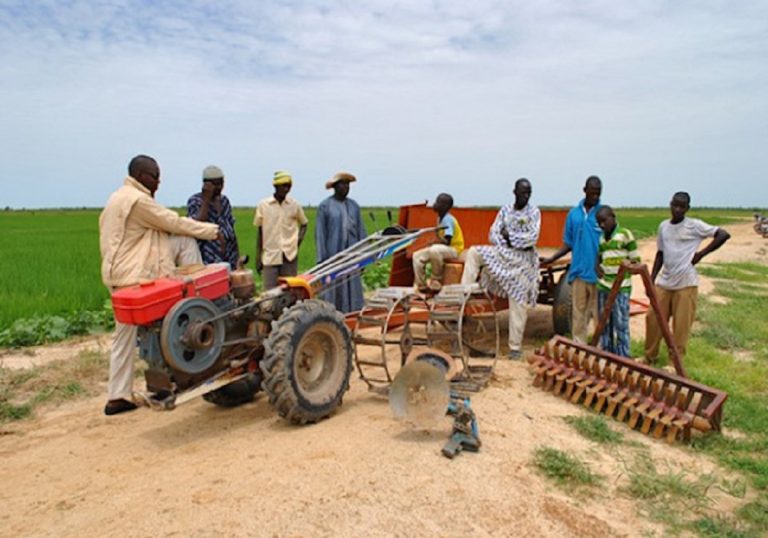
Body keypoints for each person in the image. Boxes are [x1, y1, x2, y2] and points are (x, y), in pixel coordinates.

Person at [99, 155, 219, 416]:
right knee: (167, 327)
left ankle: (117, 395)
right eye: (154, 175)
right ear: (141, 175)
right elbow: (172, 221)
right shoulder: (138, 201)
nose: (158, 180)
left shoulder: (115, 198)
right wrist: (212, 230)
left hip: (118, 276)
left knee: (125, 335)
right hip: (136, 277)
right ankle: (199, 298)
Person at [645, 192, 730, 361]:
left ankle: (674, 362)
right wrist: (651, 279)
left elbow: (723, 234)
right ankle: (649, 356)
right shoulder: (664, 227)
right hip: (665, 281)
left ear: (687, 209)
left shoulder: (694, 226)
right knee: (653, 318)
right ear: (670, 204)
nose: (677, 209)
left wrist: (701, 254)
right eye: (675, 205)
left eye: (681, 207)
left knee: (681, 326)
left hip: (686, 283)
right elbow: (660, 253)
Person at [461, 178, 540, 359]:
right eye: (523, 192)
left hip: (523, 260)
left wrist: (510, 235)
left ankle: (514, 347)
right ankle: (464, 291)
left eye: (529, 192)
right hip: (504, 253)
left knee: (518, 299)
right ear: (515, 192)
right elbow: (493, 233)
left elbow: (531, 238)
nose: (526, 196)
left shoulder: (534, 212)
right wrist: (508, 240)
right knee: (474, 252)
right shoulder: (505, 210)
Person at [540, 175, 603, 343]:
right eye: (592, 193)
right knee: (578, 314)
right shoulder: (573, 215)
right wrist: (552, 258)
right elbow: (568, 243)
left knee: (599, 314)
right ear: (584, 191)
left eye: (598, 193)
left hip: (598, 275)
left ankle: (600, 350)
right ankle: (579, 346)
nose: (595, 197)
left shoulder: (604, 213)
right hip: (579, 273)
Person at [315, 171, 367, 313]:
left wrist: (364, 256)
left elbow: (361, 231)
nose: (346, 187)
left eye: (347, 184)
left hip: (352, 256)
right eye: (342, 184)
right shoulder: (325, 206)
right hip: (333, 255)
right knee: (334, 288)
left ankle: (353, 316)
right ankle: (333, 316)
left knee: (352, 287)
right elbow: (320, 234)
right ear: (335, 187)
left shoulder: (354, 206)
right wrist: (322, 261)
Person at [595, 206, 641, 357]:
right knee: (604, 323)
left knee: (621, 324)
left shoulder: (625, 235)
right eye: (599, 222)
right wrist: (597, 267)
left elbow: (636, 262)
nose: (602, 225)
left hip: (621, 288)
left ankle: (623, 357)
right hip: (604, 286)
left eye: (604, 221)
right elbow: (600, 256)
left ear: (613, 217)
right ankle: (607, 355)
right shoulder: (601, 238)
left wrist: (626, 269)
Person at [254, 170, 308, 290]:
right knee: (269, 293)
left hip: (289, 255)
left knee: (289, 292)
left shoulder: (294, 205)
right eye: (283, 186)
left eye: (288, 186)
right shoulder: (264, 205)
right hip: (270, 255)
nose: (286, 189)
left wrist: (297, 241)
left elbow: (304, 223)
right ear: (275, 186)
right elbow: (260, 232)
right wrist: (258, 257)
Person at [186, 165, 239, 267]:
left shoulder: (224, 201)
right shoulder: (196, 201)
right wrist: (206, 200)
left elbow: (231, 230)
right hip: (208, 258)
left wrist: (237, 258)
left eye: (221, 183)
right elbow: (197, 224)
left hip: (228, 256)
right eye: (215, 184)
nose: (219, 188)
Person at [412, 193, 464, 292]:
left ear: (446, 206)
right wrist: (434, 242)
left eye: (439, 202)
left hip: (454, 249)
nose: (435, 204)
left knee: (434, 250)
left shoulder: (448, 219)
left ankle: (436, 279)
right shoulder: (440, 218)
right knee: (417, 256)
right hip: (443, 248)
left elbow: (447, 241)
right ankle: (421, 285)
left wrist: (435, 243)